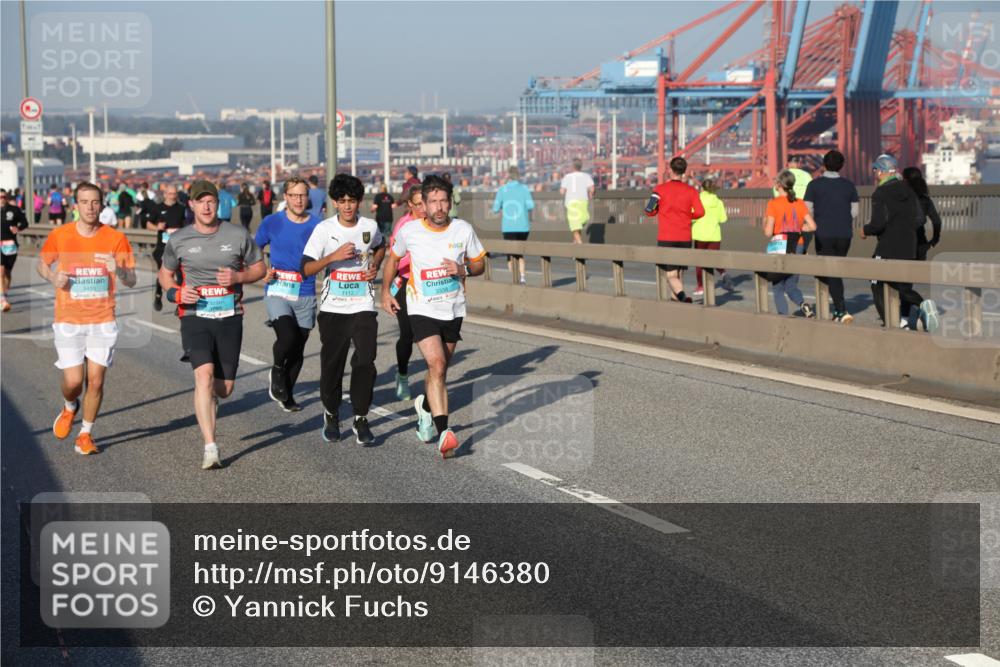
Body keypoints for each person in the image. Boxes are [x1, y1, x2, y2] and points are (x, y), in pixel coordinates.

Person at [159, 181, 266, 469]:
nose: (206, 206)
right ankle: (210, 447)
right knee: (203, 376)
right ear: (191, 205)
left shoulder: (238, 234)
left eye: (211, 201)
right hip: (194, 315)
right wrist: (175, 293)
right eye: (200, 201)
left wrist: (237, 279)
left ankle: (211, 401)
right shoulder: (179, 239)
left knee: (224, 388)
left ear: (218, 204)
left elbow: (259, 267)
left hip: (230, 315)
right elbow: (165, 274)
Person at [381, 175, 486, 459]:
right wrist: (385, 292)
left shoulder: (463, 230)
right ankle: (444, 433)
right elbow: (392, 259)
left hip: (453, 308)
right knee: (437, 364)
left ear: (450, 202)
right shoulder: (410, 231)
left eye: (444, 201)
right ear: (424, 205)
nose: (439, 207)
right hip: (421, 308)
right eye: (433, 202)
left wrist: (462, 269)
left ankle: (425, 409)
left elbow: (480, 264)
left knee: (440, 370)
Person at [36, 182, 137, 455]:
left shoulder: (115, 238)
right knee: (72, 382)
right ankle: (70, 406)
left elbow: (131, 280)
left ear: (102, 204)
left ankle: (85, 434)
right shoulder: (61, 235)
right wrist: (52, 276)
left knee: (96, 381)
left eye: (95, 202)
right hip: (68, 319)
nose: (90, 207)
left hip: (102, 319)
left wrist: (120, 270)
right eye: (84, 202)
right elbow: (42, 263)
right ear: (75, 206)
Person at [302, 174, 385, 445]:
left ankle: (361, 416)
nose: (347, 206)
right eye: (342, 201)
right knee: (332, 364)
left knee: (366, 358)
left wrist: (375, 265)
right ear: (335, 203)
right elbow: (305, 268)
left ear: (359, 201)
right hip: (333, 307)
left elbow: (381, 246)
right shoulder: (324, 230)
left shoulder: (369, 226)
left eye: (352, 201)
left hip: (362, 303)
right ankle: (331, 412)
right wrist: (333, 257)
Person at [255, 177, 322, 412]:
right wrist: (262, 270)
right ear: (285, 197)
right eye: (293, 195)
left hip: (305, 291)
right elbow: (255, 248)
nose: (299, 200)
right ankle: (276, 370)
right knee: (287, 336)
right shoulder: (272, 222)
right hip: (278, 289)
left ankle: (288, 394)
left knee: (298, 347)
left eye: (303, 195)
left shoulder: (318, 224)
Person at [862, 155, 939, 332]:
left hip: (888, 246)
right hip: (909, 246)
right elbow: (920, 219)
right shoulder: (909, 191)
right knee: (902, 286)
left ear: (880, 171)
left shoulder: (880, 193)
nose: (874, 172)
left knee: (876, 284)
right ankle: (924, 304)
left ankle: (894, 322)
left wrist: (865, 230)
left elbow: (878, 224)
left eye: (875, 169)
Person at [804, 150, 859, 323]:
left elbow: (808, 211)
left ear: (824, 165)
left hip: (823, 233)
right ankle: (836, 309)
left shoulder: (814, 185)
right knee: (836, 271)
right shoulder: (849, 186)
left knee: (830, 272)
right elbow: (855, 212)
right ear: (841, 166)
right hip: (845, 234)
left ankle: (841, 310)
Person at [645, 156, 705, 303]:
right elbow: (700, 212)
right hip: (685, 237)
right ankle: (675, 303)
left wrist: (659, 211)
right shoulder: (691, 191)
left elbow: (649, 210)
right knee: (679, 273)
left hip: (667, 237)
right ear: (684, 172)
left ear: (670, 170)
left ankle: (683, 297)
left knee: (671, 275)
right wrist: (686, 215)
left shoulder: (659, 190)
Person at [387, 186, 427, 402]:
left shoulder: (434, 222)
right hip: (404, 283)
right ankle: (402, 374)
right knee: (408, 335)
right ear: (410, 205)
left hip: (428, 285)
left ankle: (435, 379)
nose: (423, 208)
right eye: (418, 204)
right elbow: (395, 259)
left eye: (425, 203)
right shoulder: (404, 225)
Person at [763, 170, 817, 317]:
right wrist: (799, 228)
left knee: (778, 286)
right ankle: (802, 303)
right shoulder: (799, 203)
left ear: (779, 185)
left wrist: (766, 224)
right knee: (791, 284)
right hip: (798, 245)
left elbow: (768, 232)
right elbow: (812, 226)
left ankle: (783, 316)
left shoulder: (773, 204)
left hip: (780, 245)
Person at [691, 178, 734, 298]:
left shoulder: (698, 200)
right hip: (715, 235)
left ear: (702, 188)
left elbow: (692, 216)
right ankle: (724, 274)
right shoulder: (718, 202)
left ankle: (701, 286)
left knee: (700, 262)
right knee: (714, 259)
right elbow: (723, 219)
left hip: (700, 235)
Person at [491, 165, 534, 284]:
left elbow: (495, 209)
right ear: (518, 175)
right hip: (523, 226)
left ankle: (513, 278)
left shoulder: (502, 189)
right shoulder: (525, 188)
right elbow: (531, 206)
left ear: (508, 175)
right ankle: (523, 277)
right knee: (520, 253)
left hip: (508, 227)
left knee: (510, 253)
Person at [148, 184, 188, 312]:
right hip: (162, 247)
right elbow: (148, 224)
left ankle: (179, 302)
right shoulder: (158, 208)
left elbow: (186, 226)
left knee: (180, 275)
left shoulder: (181, 208)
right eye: (170, 194)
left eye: (175, 194)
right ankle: (158, 295)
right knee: (164, 273)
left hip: (178, 247)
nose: (173, 196)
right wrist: (157, 227)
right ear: (165, 194)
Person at [902, 167, 942, 261]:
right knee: (918, 272)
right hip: (921, 242)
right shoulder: (925, 200)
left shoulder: (901, 199)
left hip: (902, 242)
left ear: (905, 180)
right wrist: (934, 240)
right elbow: (937, 221)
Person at [0, 189, 29, 312]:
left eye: (3, 197)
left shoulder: (14, 210)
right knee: (0, 271)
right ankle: (2, 299)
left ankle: (4, 294)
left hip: (11, 245)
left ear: (6, 197)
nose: (1, 199)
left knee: (7, 272)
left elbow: (25, 222)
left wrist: (18, 228)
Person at [560, 158, 594, 244]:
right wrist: (590, 194)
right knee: (582, 221)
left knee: (575, 225)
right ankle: (576, 244)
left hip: (571, 202)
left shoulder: (567, 177)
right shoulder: (586, 176)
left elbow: (562, 191)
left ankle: (580, 246)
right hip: (583, 201)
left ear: (572, 167)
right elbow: (592, 188)